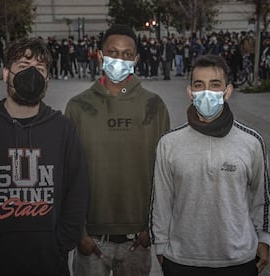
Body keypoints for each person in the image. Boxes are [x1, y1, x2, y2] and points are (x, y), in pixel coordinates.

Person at [0, 38, 89, 276]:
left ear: (47, 79)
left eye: (40, 69)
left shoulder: (63, 129)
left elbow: (77, 192)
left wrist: (59, 247)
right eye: (24, 67)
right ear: (6, 74)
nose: (32, 74)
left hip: (51, 264)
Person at [150, 54, 270, 276]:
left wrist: (264, 240)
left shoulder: (251, 141)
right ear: (190, 92)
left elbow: (263, 197)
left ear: (227, 91)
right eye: (199, 85)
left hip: (238, 259)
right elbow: (160, 201)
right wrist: (161, 247)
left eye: (215, 85)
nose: (206, 92)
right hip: (181, 260)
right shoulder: (169, 143)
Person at [65, 24, 170, 276]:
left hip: (138, 238)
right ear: (100, 56)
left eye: (126, 54)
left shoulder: (154, 106)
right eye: (112, 52)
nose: (119, 59)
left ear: (136, 59)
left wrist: (152, 228)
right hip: (91, 239)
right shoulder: (78, 107)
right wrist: (79, 233)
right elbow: (67, 173)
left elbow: (165, 173)